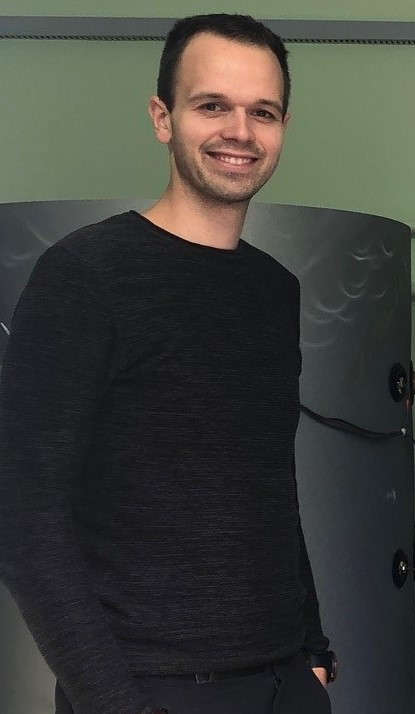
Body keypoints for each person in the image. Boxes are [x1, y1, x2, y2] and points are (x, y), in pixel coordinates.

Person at [0, 14, 335, 714]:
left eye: (262, 112)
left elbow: (268, 483)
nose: (239, 131)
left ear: (281, 128)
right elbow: (26, 515)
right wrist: (113, 701)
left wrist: (312, 652)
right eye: (212, 105)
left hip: (284, 684)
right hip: (151, 691)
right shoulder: (85, 276)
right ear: (163, 117)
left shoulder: (273, 290)